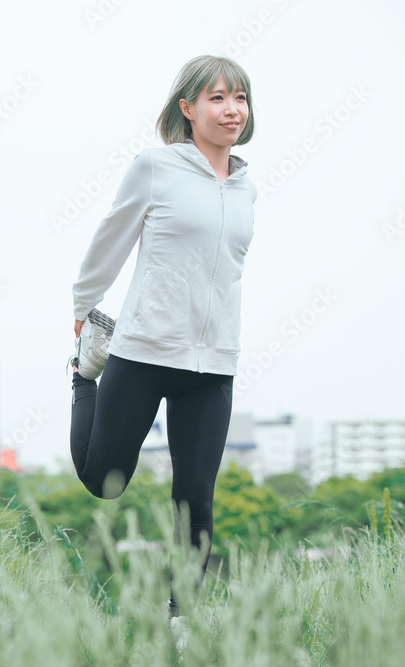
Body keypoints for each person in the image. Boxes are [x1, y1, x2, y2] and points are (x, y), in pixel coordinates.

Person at [66, 54, 257, 632]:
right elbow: (113, 236)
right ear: (188, 107)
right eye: (218, 98)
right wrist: (83, 306)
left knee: (196, 495)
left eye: (240, 98)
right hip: (145, 349)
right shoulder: (155, 167)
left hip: (213, 361)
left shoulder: (247, 185)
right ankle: (82, 378)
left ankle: (184, 622)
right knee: (106, 481)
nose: (232, 110)